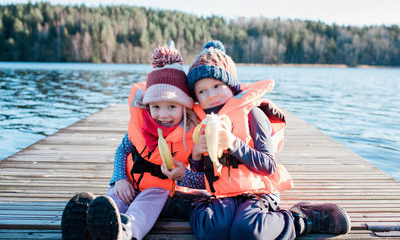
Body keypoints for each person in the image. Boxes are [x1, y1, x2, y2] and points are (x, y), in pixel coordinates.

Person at [185, 40, 351, 240]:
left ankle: (302, 218)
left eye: (217, 85)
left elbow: (268, 166)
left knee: (248, 231)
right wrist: (196, 154)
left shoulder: (253, 114)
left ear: (231, 85)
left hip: (258, 191)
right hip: (224, 193)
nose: (211, 95)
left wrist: (233, 144)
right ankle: (188, 205)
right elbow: (201, 171)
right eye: (201, 91)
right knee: (211, 230)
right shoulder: (204, 123)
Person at [61, 44, 201, 240]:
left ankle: (124, 232)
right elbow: (122, 150)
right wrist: (119, 179)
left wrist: (181, 175)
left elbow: (200, 177)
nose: (163, 115)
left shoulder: (191, 136)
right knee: (113, 201)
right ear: (147, 106)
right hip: (128, 181)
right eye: (156, 107)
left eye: (171, 106)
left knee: (143, 209)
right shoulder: (141, 127)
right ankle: (85, 226)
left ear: (185, 106)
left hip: (157, 188)